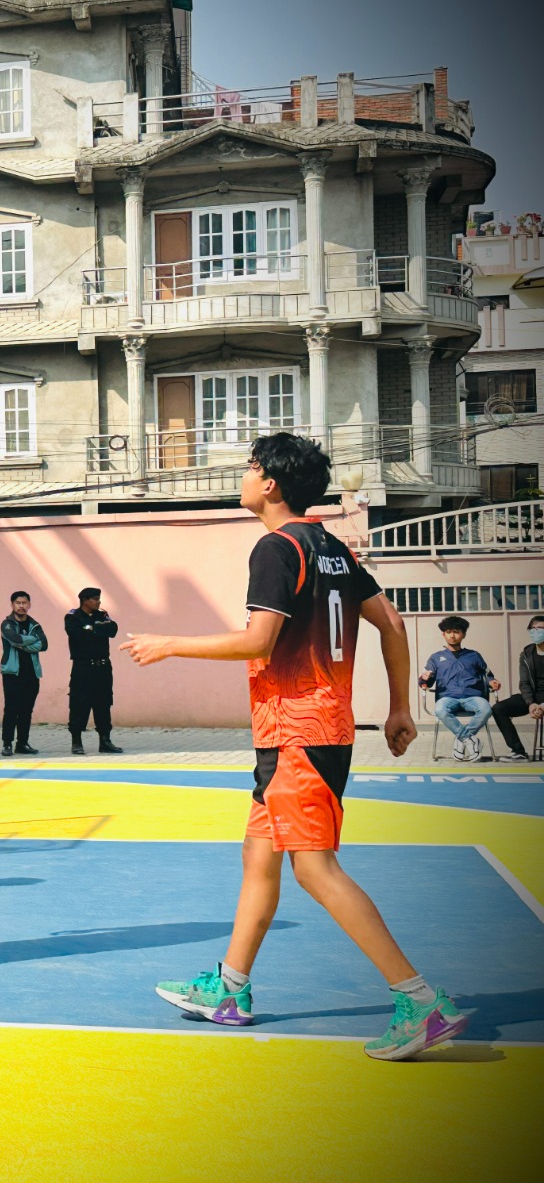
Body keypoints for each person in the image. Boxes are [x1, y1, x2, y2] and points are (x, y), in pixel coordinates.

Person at [122, 431, 470, 1061]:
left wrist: (170, 644)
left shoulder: (277, 548)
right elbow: (392, 623)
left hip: (297, 735)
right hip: (311, 731)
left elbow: (258, 641)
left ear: (270, 483)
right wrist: (398, 707)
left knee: (314, 869)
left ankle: (420, 1001)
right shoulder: (331, 547)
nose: (243, 475)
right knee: (259, 856)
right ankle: (230, 989)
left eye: (250, 466)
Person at [419, 616, 502, 762]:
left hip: (473, 696)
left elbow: (489, 675)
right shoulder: (436, 658)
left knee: (486, 709)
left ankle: (462, 739)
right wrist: (424, 680)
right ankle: (469, 740)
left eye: (456, 632)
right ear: (443, 634)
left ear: (463, 634)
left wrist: (492, 682)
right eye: (448, 632)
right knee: (440, 710)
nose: (452, 635)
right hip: (447, 697)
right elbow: (427, 681)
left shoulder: (474, 656)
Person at [65, 587, 122, 754]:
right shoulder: (73, 616)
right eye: (95, 599)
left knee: (103, 703)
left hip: (102, 667)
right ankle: (76, 742)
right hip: (83, 667)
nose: (99, 602)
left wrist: (91, 629)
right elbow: (77, 635)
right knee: (79, 703)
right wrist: (98, 630)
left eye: (99, 598)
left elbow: (113, 630)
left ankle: (105, 741)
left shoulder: (102, 615)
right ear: (85, 600)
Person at [488, 614, 544, 762]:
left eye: (540, 628)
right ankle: (518, 752)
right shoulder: (526, 654)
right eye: (533, 628)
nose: (536, 631)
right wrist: (531, 703)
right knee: (499, 709)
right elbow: (524, 683)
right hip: (533, 696)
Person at [0, 590, 47, 756]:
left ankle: (22, 743)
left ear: (29, 605)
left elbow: (44, 644)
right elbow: (14, 639)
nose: (21, 606)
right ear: (12, 605)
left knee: (27, 710)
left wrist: (23, 644)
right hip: (12, 673)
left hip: (32, 674)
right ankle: (7, 743)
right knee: (11, 709)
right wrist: (32, 640)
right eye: (18, 603)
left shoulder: (35, 625)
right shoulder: (7, 624)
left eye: (24, 603)